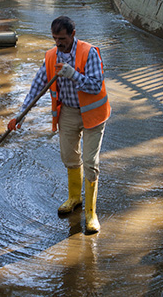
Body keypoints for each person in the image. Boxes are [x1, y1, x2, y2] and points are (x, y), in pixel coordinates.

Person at [7, 16, 111, 234]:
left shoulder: (89, 52)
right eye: (54, 38)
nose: (58, 43)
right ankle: (74, 198)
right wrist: (21, 115)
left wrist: (73, 75)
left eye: (62, 38)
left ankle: (91, 213)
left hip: (92, 113)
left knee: (90, 162)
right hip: (69, 113)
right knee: (69, 157)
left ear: (73, 34)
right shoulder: (51, 57)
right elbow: (37, 86)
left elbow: (95, 86)